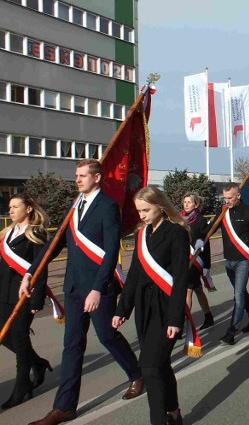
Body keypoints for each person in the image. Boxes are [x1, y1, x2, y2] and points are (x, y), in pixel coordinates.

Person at [23, 159, 143, 425]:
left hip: (99, 288)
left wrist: (97, 289)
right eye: (76, 175)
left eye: (82, 175)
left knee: (107, 336)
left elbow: (111, 251)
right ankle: (64, 407)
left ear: (97, 178)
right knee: (72, 346)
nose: (77, 180)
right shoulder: (74, 207)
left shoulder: (108, 207)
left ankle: (137, 374)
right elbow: (54, 244)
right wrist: (31, 272)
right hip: (74, 286)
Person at [112, 186, 190, 425]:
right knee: (161, 366)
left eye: (146, 210)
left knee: (149, 366)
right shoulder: (141, 235)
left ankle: (159, 420)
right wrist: (122, 309)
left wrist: (176, 319)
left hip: (166, 307)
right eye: (139, 211)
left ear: (161, 206)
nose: (142, 215)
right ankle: (174, 412)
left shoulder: (176, 233)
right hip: (143, 308)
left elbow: (180, 279)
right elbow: (134, 275)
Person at [0, 193, 51, 409]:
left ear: (28, 209)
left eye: (15, 207)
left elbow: (41, 269)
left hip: (23, 296)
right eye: (10, 207)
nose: (10, 210)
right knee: (4, 337)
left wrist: (36, 302)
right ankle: (38, 363)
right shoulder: (6, 233)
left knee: (20, 338)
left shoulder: (36, 234)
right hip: (3, 293)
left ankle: (22, 387)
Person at [215, 183, 249, 346]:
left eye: (230, 198)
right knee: (241, 292)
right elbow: (209, 228)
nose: (227, 201)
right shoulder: (223, 212)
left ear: (238, 195)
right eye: (225, 198)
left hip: (243, 260)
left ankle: (231, 331)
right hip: (228, 260)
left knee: (238, 295)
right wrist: (200, 239)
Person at [180, 192, 214, 331]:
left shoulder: (199, 220)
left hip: (194, 261)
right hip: (182, 259)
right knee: (198, 290)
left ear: (196, 204)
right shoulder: (180, 218)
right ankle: (208, 316)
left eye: (189, 202)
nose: (186, 204)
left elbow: (205, 243)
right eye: (185, 202)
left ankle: (182, 324)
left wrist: (206, 265)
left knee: (186, 292)